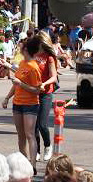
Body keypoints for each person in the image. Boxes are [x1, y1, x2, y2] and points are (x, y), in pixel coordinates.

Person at [3, 37, 43, 169]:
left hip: (30, 104)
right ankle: (24, 164)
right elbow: (16, 84)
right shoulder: (22, 64)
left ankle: (32, 165)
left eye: (21, 46)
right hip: (17, 103)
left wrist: (21, 84)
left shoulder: (33, 67)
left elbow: (37, 90)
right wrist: (7, 97)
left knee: (29, 134)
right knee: (20, 135)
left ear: (26, 49)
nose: (19, 47)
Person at [34, 31, 58, 162]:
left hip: (46, 94)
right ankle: (36, 150)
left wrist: (44, 83)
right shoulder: (33, 55)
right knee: (33, 126)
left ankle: (47, 146)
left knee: (42, 124)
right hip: (32, 93)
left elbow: (54, 77)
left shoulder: (49, 57)